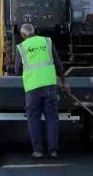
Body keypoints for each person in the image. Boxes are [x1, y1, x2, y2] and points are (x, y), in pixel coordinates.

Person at [14, 22, 66, 159]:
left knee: (34, 119)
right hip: (49, 85)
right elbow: (58, 63)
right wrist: (63, 82)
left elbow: (17, 70)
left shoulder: (22, 47)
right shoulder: (47, 41)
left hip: (33, 88)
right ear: (34, 31)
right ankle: (53, 150)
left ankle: (38, 150)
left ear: (23, 35)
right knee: (52, 118)